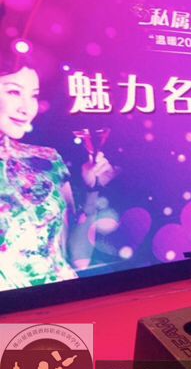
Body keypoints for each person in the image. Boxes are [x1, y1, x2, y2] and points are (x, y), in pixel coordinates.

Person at [0, 54, 111, 290]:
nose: (26, 108)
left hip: (63, 296)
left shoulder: (47, 160)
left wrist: (92, 190)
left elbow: (77, 257)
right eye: (14, 92)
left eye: (33, 95)